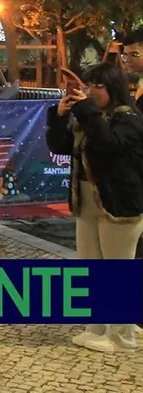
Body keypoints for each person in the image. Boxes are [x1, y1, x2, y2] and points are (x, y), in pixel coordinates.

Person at [47, 63, 143, 352]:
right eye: (88, 85)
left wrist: (86, 111)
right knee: (91, 267)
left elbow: (109, 145)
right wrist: (59, 117)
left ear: (112, 87)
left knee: (117, 270)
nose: (90, 92)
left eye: (97, 86)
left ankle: (123, 336)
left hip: (119, 204)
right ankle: (98, 327)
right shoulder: (90, 118)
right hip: (86, 199)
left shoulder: (129, 118)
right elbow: (61, 147)